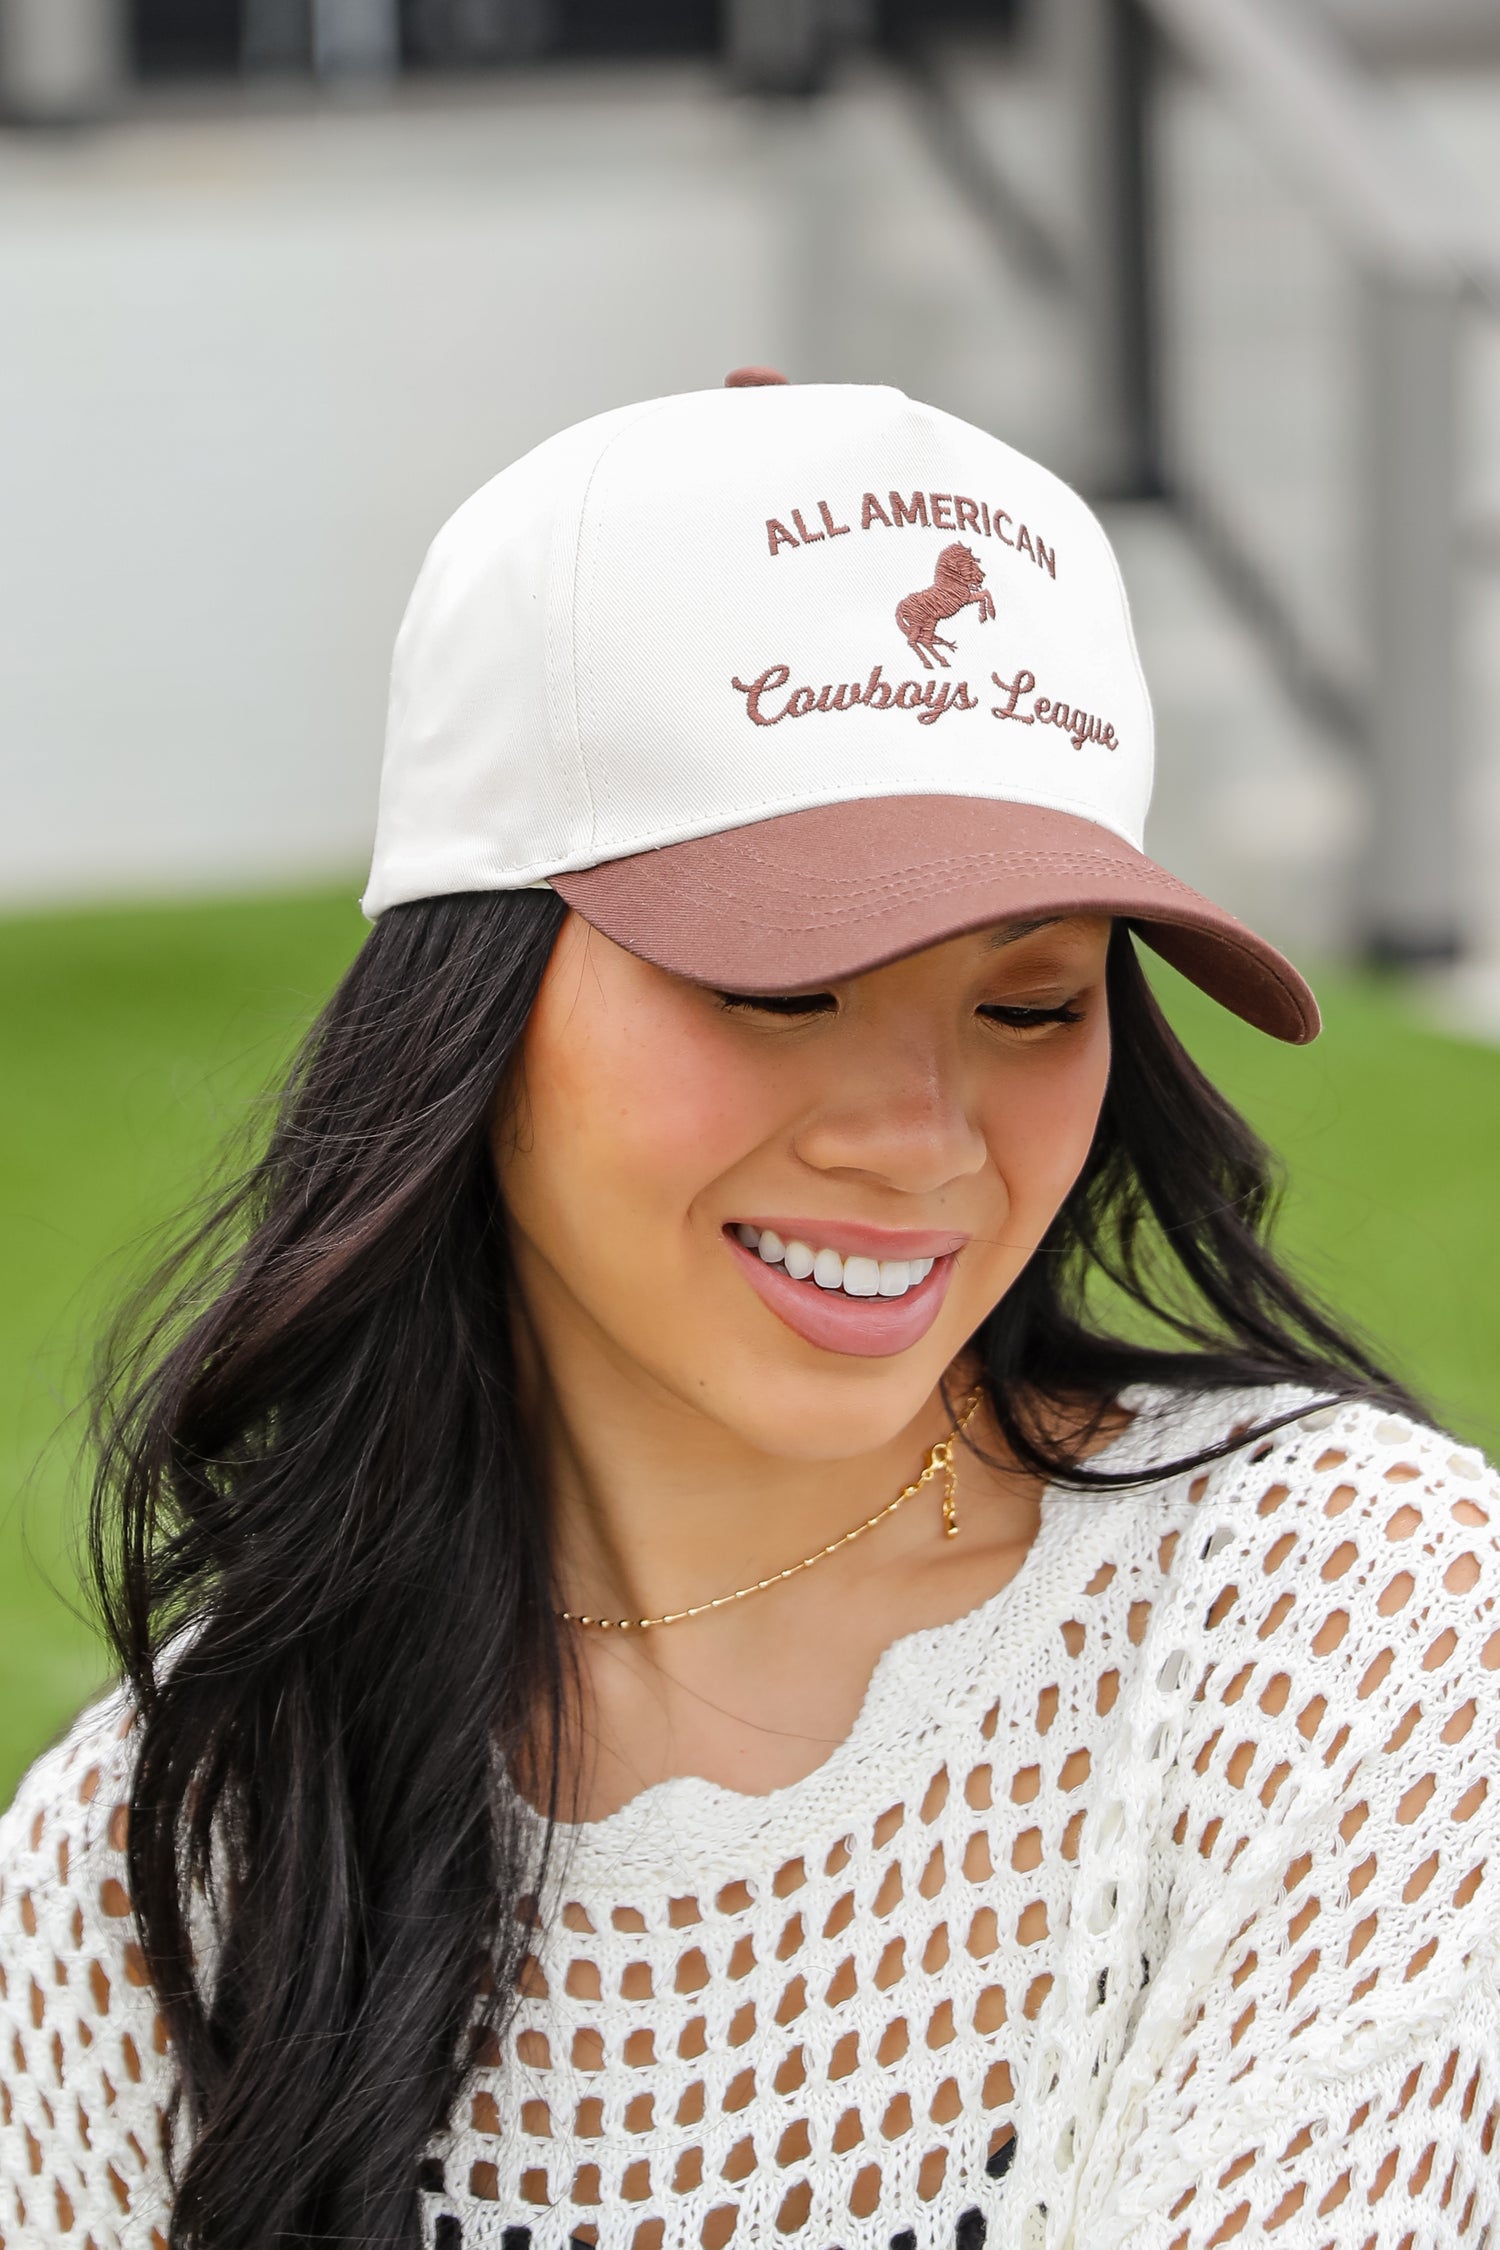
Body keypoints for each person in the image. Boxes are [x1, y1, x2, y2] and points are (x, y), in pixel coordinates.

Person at [1, 372, 1496, 2250]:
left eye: (1032, 1003)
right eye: (784, 989)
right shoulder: (156, 1860)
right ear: (474, 997)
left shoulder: (1344, 1629)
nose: (923, 1143)